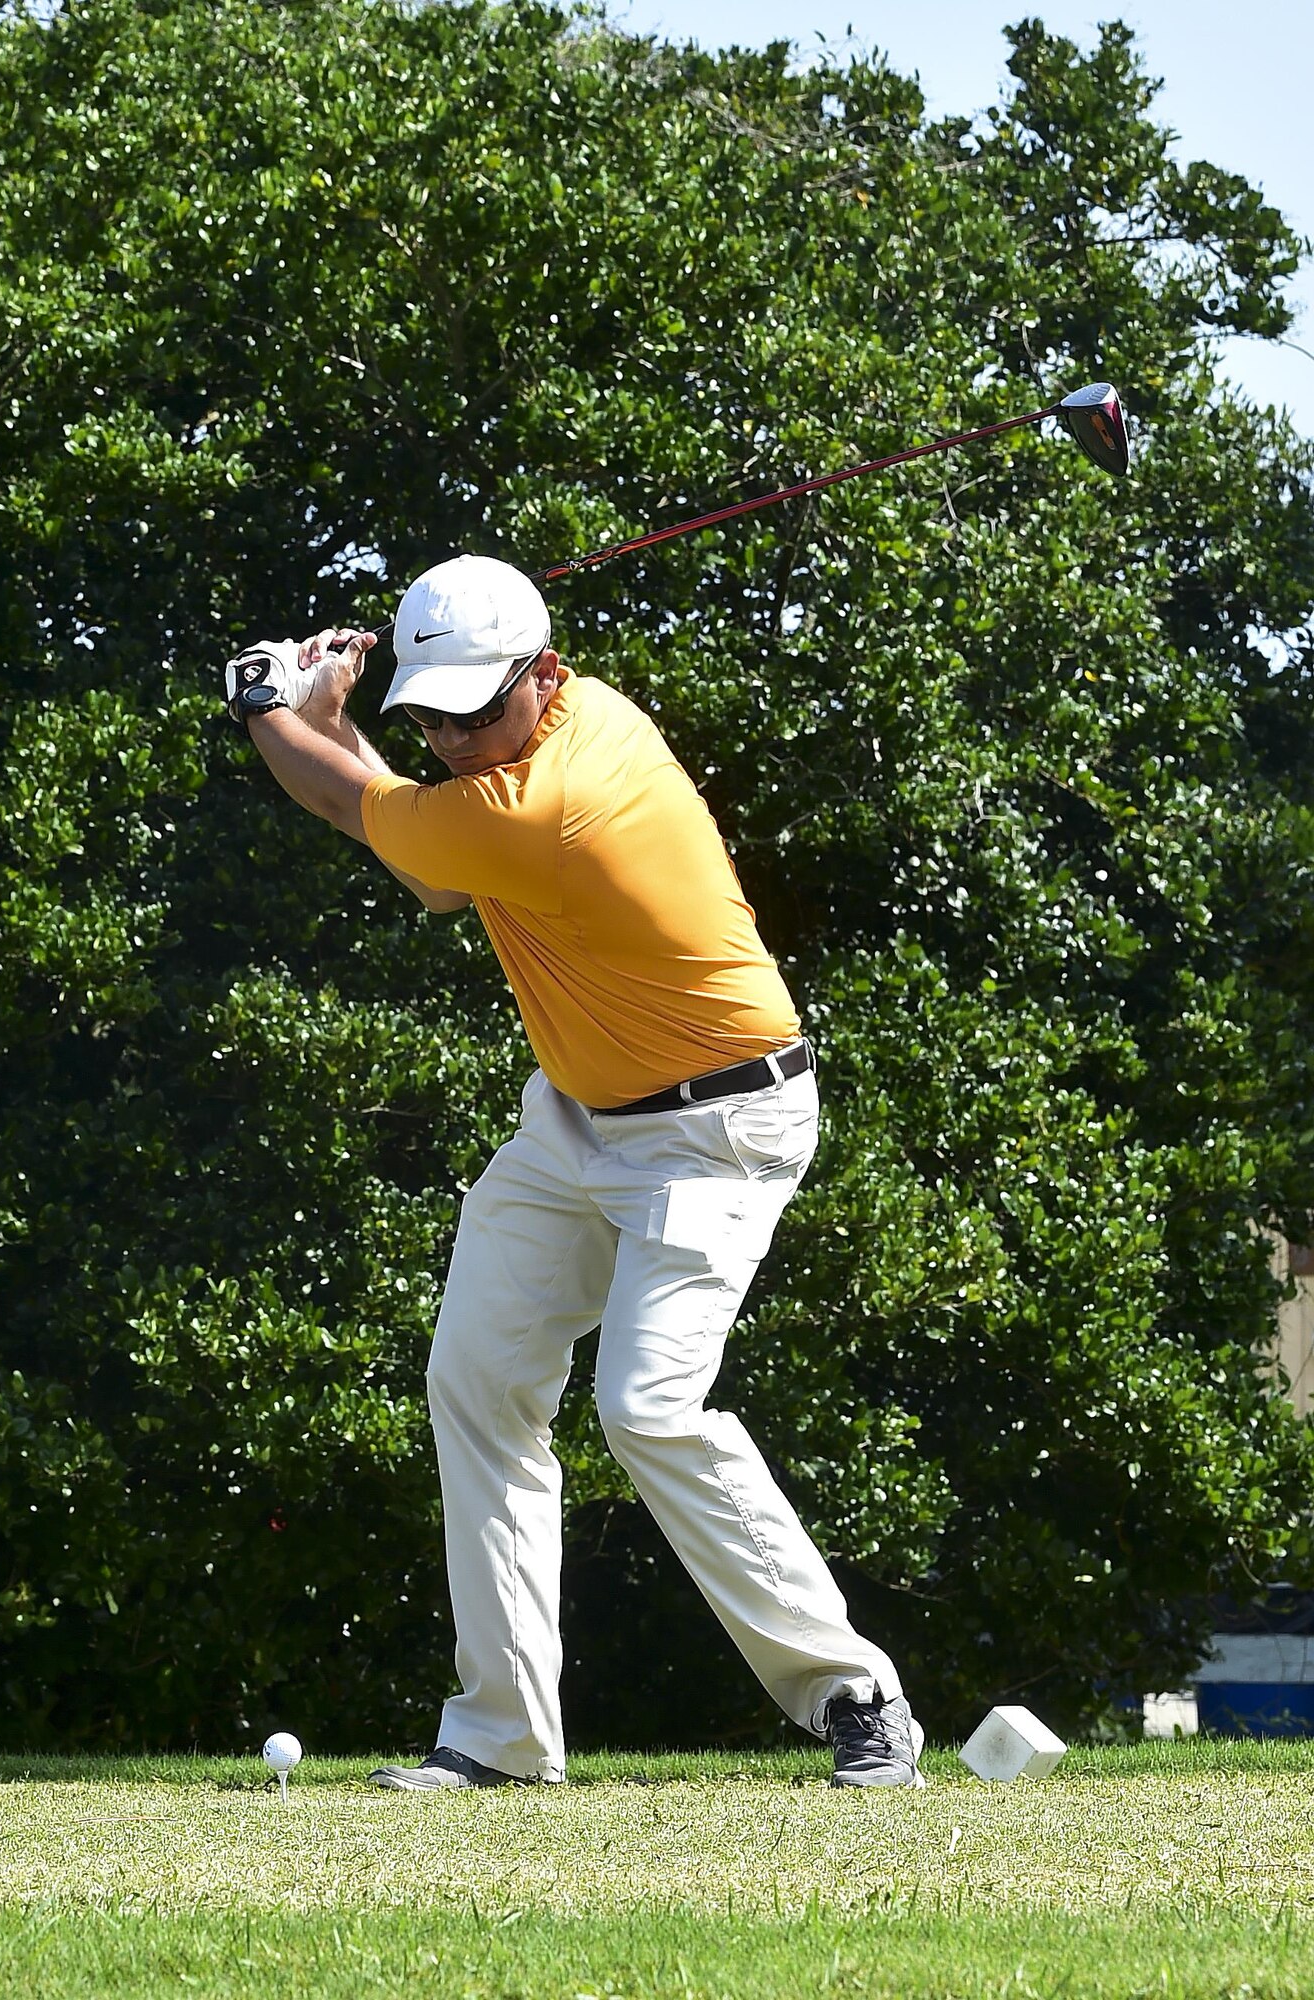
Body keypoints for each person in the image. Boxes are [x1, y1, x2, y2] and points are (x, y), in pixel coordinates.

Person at [225, 554, 923, 1789]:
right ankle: (501, 1736)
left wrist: (270, 702)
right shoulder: (551, 730)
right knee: (478, 1377)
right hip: (579, 1117)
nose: (451, 736)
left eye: (476, 709)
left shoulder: (553, 802)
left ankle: (857, 1696)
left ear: (543, 678)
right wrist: (326, 716)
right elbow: (422, 848)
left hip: (721, 1133)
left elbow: (365, 816)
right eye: (429, 715)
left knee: (646, 1407)